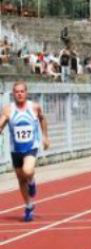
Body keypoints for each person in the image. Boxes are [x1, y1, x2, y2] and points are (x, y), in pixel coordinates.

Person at [0, 81, 50, 222]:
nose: (19, 94)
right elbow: (1, 123)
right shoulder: (8, 109)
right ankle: (28, 206)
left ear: (26, 93)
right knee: (21, 179)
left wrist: (45, 136)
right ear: (13, 94)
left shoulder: (34, 107)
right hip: (16, 150)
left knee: (27, 171)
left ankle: (32, 181)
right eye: (17, 92)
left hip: (31, 147)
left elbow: (42, 119)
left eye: (22, 91)